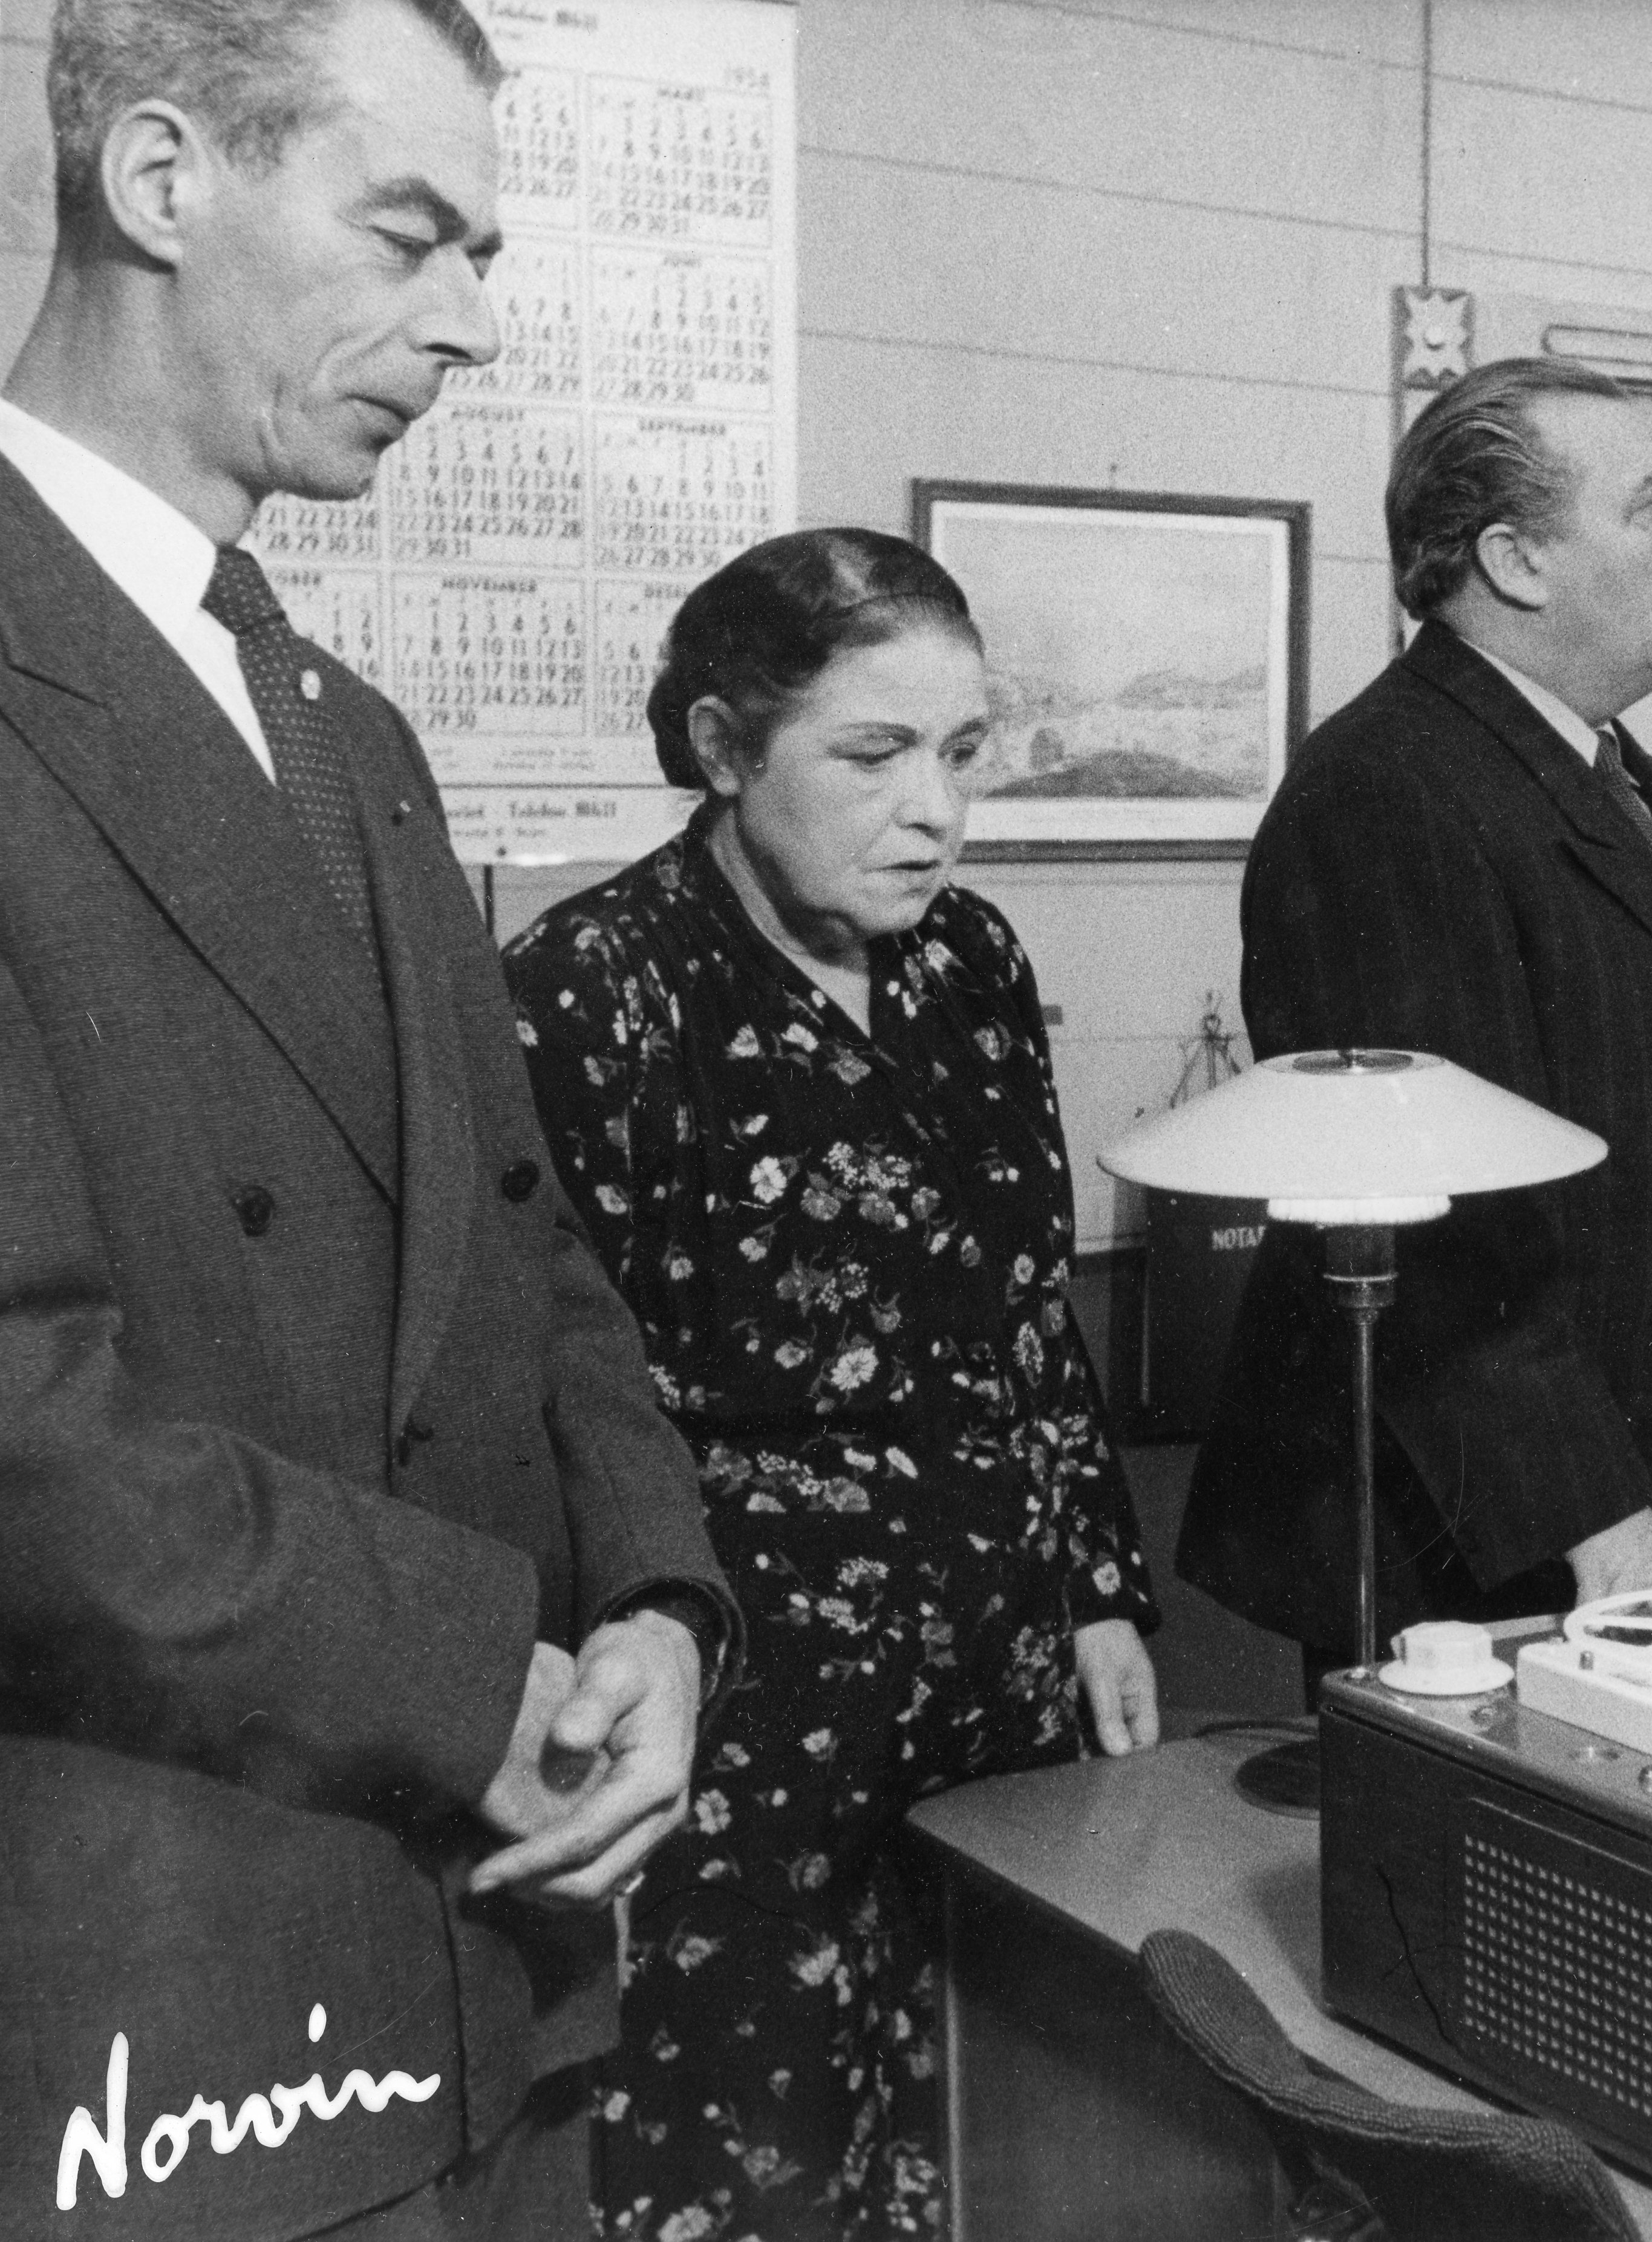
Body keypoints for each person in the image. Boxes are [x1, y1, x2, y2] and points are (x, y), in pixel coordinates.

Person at [0, 2, 733, 2234]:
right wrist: (458, 1674)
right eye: (409, 238)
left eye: (480, 257)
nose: (473, 328)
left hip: (497, 1971)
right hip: (163, 1998)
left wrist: (662, 1606)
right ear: (158, 181)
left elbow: (532, 1247)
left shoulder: (349, 729)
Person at [503, 529, 1163, 2239]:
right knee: (755, 2146)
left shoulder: (973, 960)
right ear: (726, 748)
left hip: (999, 1655)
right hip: (748, 1700)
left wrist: (1098, 1586)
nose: (934, 809)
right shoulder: (594, 988)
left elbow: (1031, 1306)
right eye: (872, 754)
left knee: (1013, 2112)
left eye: (964, 750)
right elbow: (556, 1388)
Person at [1184, 355, 1652, 1656]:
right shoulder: (1387, 790)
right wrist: (1597, 1516)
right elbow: (1432, 1225)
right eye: (1649, 506)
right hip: (1535, 1548)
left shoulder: (1590, 756)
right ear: (1515, 561)